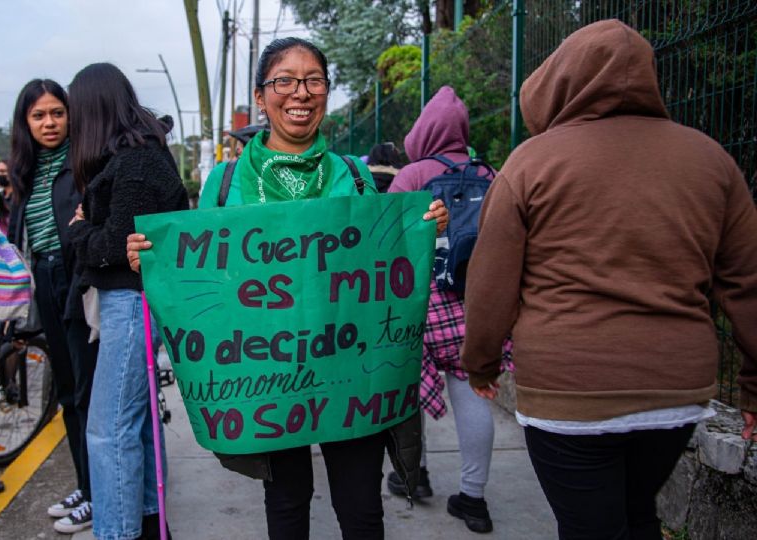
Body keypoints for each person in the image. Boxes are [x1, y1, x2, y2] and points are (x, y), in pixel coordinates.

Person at [127, 37, 448, 540]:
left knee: (361, 506)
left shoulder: (355, 176)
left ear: (325, 90)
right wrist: (152, 256)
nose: (300, 92)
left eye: (313, 80)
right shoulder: (226, 183)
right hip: (265, 374)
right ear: (261, 96)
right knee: (286, 501)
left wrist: (424, 226)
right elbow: (204, 276)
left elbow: (384, 260)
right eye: (284, 81)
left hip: (349, 371)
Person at [461, 20, 757, 540]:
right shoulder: (711, 159)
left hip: (568, 391)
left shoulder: (531, 163)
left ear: (561, 80)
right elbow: (747, 282)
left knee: (588, 526)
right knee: (640, 514)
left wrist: (480, 363)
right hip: (676, 389)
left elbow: (491, 286)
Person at [67, 62, 189, 540]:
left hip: (130, 303)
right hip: (132, 303)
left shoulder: (135, 162)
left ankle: (119, 533)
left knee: (109, 431)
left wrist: (79, 231)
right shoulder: (139, 154)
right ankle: (145, 525)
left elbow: (118, 246)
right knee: (133, 428)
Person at [386, 85, 512, 533]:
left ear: (424, 130)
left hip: (419, 303)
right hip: (473, 302)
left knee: (410, 393)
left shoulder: (413, 175)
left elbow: (388, 240)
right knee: (475, 393)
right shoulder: (491, 173)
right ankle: (473, 499)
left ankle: (411, 476)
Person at [7, 78, 98, 534]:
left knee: (86, 390)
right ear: (25, 122)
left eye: (57, 113)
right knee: (65, 392)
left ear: (70, 116)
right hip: (44, 276)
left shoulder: (82, 163)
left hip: (76, 278)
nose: (49, 123)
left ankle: (101, 493)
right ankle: (87, 483)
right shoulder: (24, 171)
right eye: (39, 115)